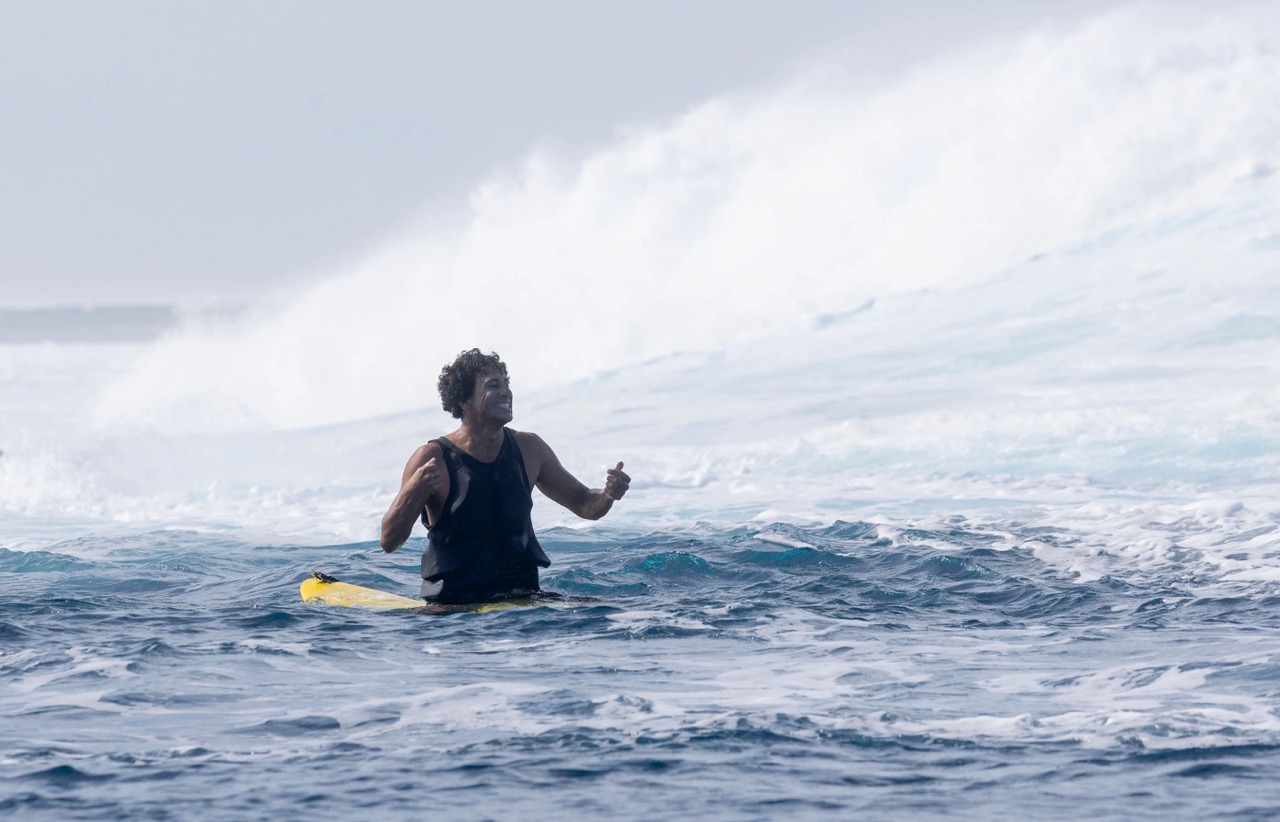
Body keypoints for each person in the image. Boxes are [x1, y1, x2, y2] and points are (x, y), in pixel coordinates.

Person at [380, 349, 630, 604]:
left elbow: (585, 505)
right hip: (453, 607)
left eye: (506, 383)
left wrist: (607, 494)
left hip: (522, 598)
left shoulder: (530, 448)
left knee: (619, 607)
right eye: (493, 385)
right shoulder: (433, 458)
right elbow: (389, 542)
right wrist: (412, 494)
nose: (506, 392)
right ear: (464, 400)